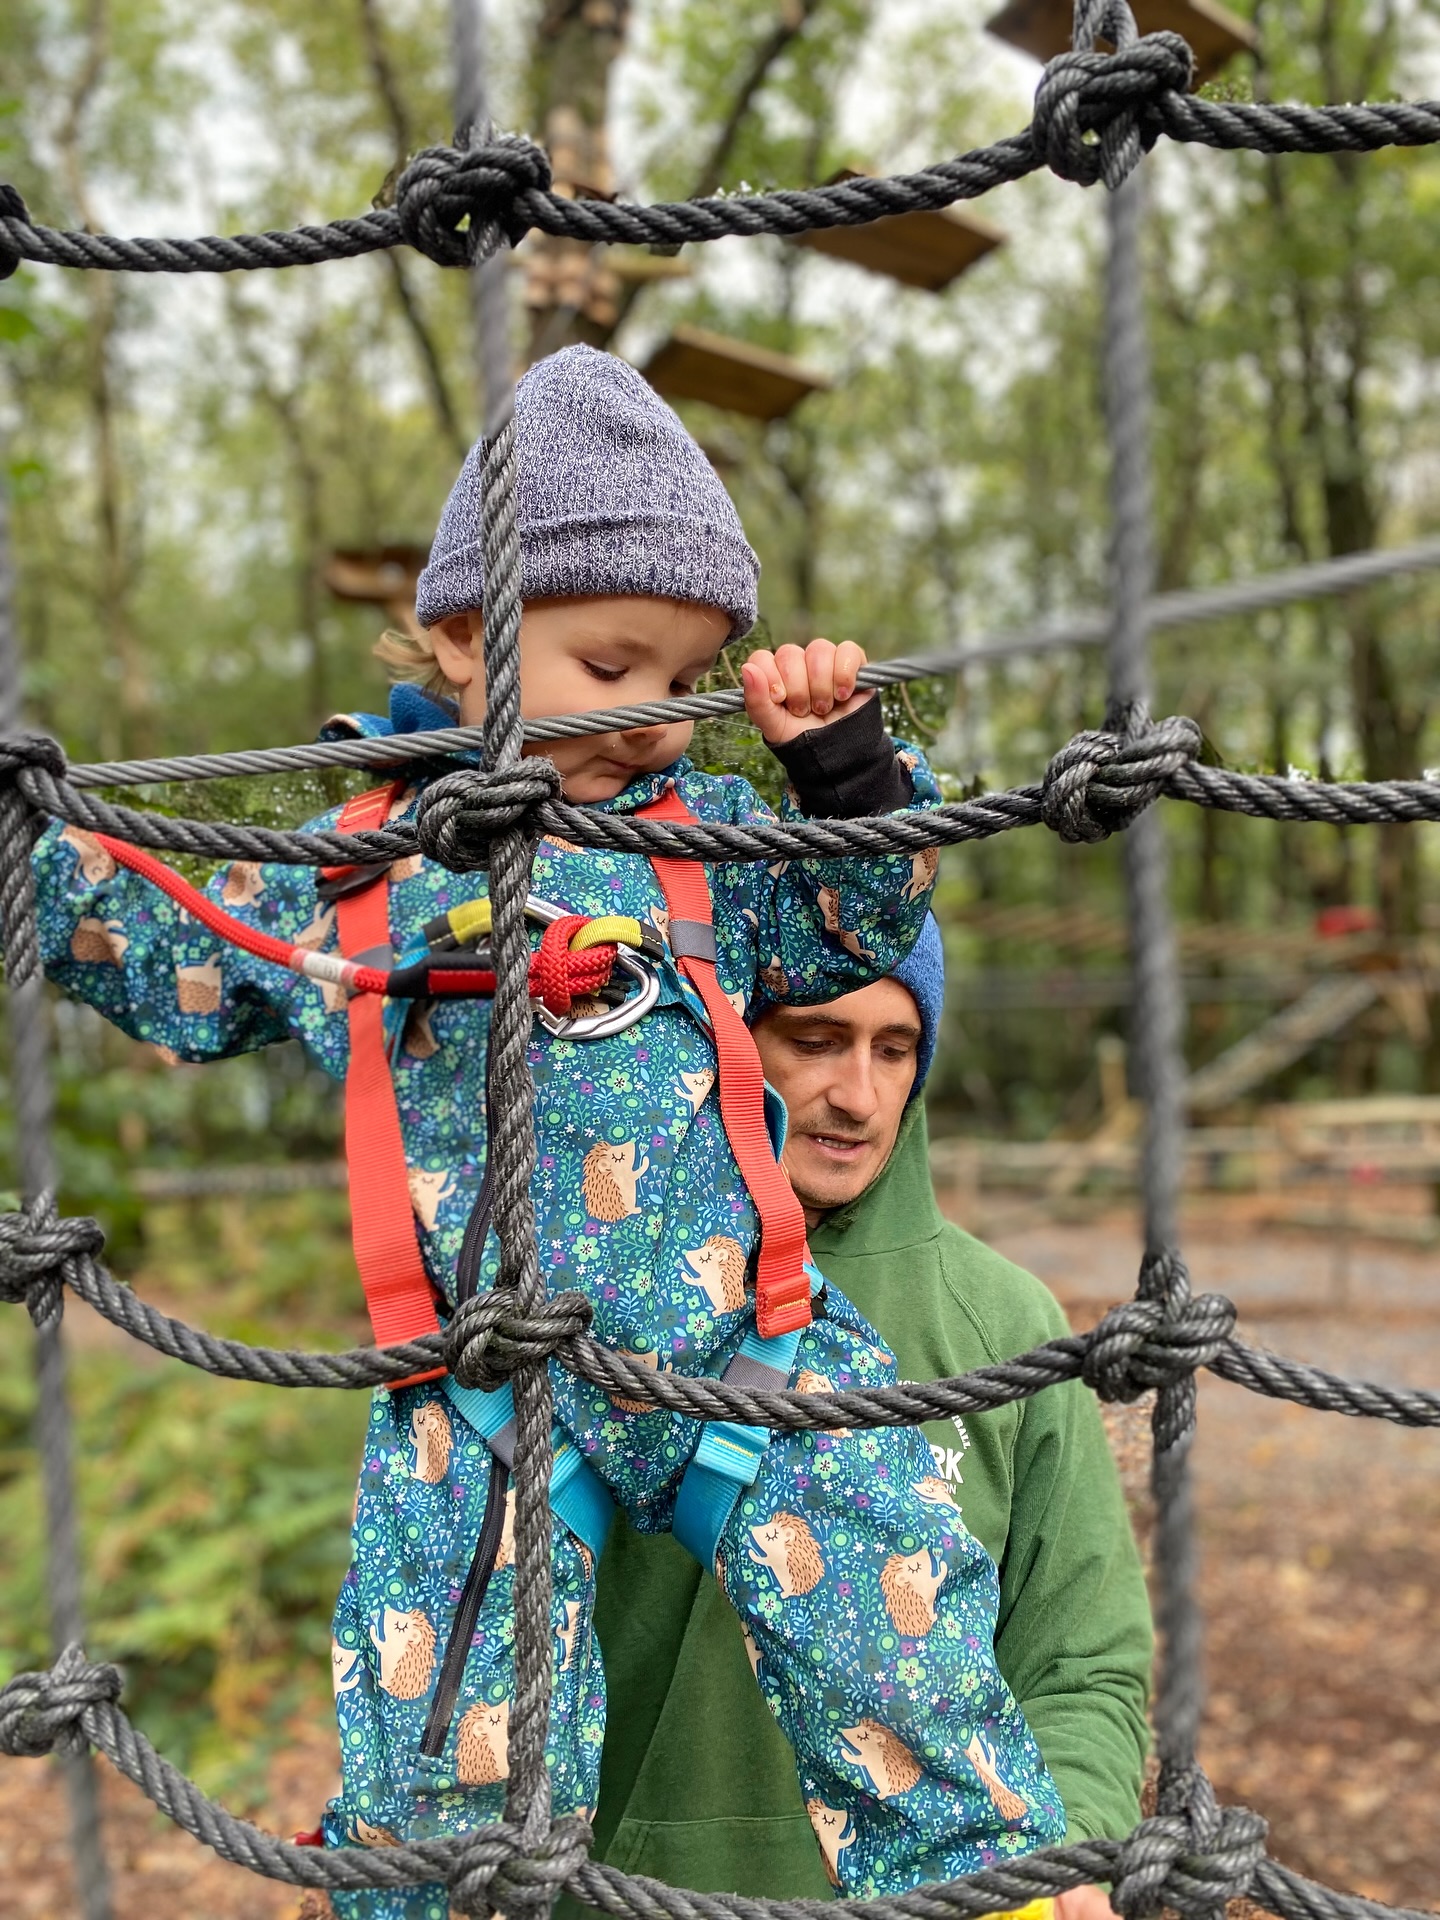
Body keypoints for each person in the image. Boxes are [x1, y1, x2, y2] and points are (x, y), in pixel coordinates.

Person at [32, 347, 1068, 1919]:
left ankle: (1001, 1891)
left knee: (899, 1603)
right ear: (461, 639)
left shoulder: (707, 853)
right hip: (490, 1397)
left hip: (748, 1342)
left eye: (684, 678)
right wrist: (43, 856)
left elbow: (863, 910)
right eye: (609, 666)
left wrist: (838, 758)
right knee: (441, 1755)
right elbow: (182, 951)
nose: (652, 717)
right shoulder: (369, 877)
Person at [574, 917, 1153, 1914]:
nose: (859, 1094)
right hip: (610, 1890)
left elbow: (1083, 1656)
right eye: (814, 1040)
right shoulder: (593, 1292)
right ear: (731, 1034)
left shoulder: (1006, 1322)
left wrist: (1068, 1857)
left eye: (895, 1049)